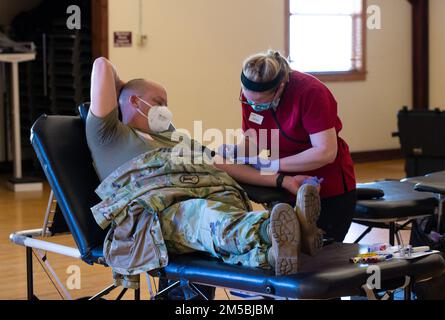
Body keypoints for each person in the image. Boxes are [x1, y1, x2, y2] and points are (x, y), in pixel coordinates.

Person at [86, 57, 323, 296]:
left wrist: (282, 180)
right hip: (159, 213)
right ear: (134, 101)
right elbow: (101, 66)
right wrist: (127, 87)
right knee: (204, 217)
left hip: (207, 196)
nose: (165, 110)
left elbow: (225, 166)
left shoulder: (173, 137)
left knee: (219, 220)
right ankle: (278, 229)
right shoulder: (108, 136)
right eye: (159, 102)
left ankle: (273, 252)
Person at [222, 50, 356, 242]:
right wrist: (236, 152)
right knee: (288, 248)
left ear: (280, 87)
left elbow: (325, 152)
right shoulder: (251, 96)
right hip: (282, 185)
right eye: (247, 99)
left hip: (325, 184)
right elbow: (254, 138)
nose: (252, 105)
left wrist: (272, 164)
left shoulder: (311, 92)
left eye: (259, 102)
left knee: (320, 255)